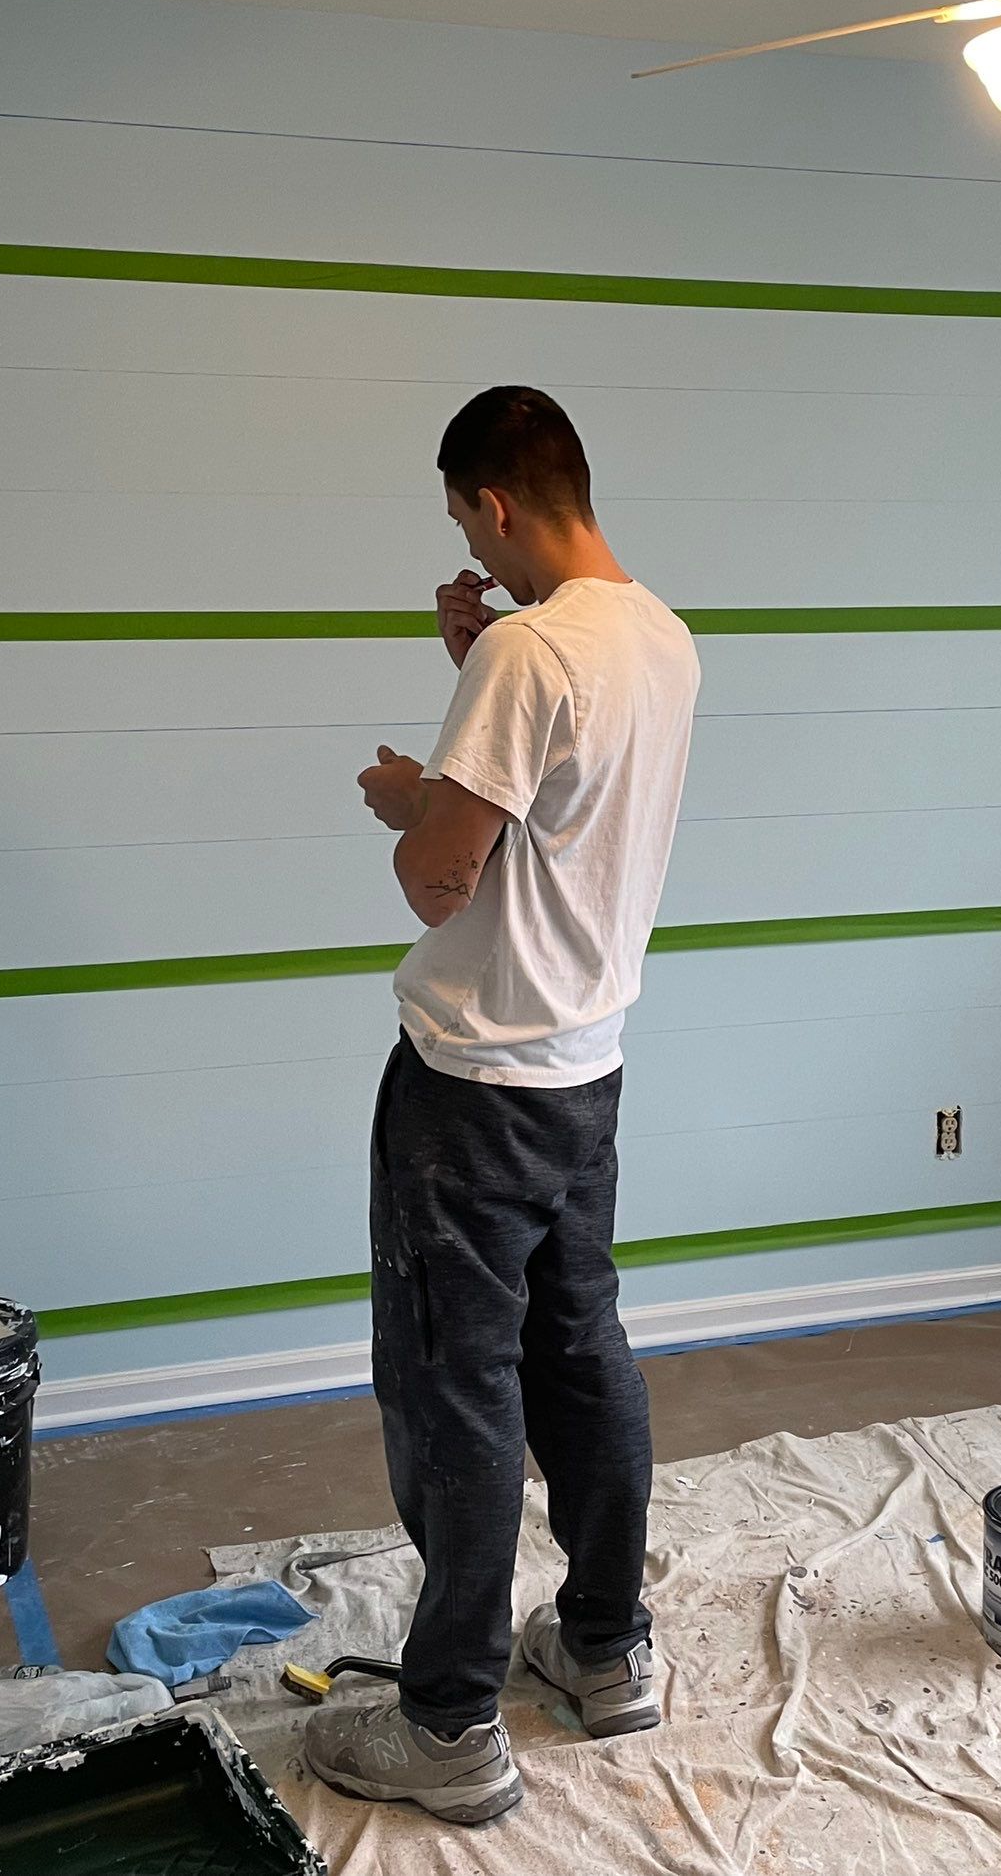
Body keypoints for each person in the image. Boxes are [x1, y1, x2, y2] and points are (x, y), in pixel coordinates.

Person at [299, 386, 700, 1826]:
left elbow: (443, 876)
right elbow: (568, 805)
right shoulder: (656, 635)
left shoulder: (528, 653)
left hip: (469, 1084)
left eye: (464, 518)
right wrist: (478, 671)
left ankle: (451, 1719)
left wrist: (411, 788)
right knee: (580, 1347)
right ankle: (604, 1647)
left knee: (451, 1381)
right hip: (584, 1067)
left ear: (493, 507)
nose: (469, 541)